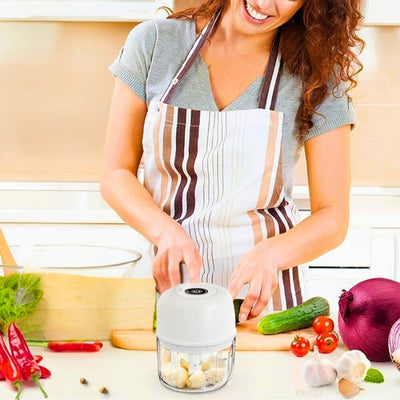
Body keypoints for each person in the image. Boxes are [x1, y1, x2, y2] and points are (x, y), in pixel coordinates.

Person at [100, 0, 364, 323]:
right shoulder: (153, 44)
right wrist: (165, 232)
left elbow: (333, 216)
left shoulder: (319, 75)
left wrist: (272, 253)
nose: (265, 3)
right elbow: (115, 173)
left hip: (265, 309)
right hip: (165, 297)